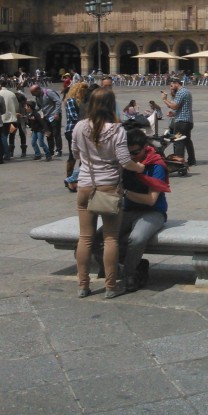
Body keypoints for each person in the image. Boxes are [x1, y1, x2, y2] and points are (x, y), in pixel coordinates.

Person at [73, 87, 147, 299]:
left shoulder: (79, 127)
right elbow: (125, 161)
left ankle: (83, 285)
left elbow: (76, 154)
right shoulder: (117, 130)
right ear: (110, 105)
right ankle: (111, 287)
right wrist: (139, 167)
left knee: (85, 238)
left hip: (85, 186)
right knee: (111, 238)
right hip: (109, 188)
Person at [119, 129, 170, 292]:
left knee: (137, 238)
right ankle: (137, 264)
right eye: (129, 153)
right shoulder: (126, 163)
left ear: (145, 147)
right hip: (129, 210)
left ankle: (129, 274)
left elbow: (151, 200)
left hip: (153, 212)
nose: (132, 156)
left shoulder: (156, 165)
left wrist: (125, 193)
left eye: (136, 152)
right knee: (99, 239)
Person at [162, 76, 196, 166]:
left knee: (178, 141)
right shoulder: (187, 91)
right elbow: (182, 108)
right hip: (188, 120)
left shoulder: (180, 92)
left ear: (176, 84)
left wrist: (165, 99)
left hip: (181, 121)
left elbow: (174, 106)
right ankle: (192, 159)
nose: (170, 87)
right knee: (187, 140)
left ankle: (179, 162)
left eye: (171, 85)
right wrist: (173, 114)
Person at [30, 83, 63, 157]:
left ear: (38, 90)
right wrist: (32, 112)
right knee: (48, 134)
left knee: (56, 133)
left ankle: (58, 150)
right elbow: (39, 106)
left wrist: (56, 113)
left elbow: (58, 101)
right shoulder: (37, 97)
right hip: (46, 117)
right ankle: (51, 150)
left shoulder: (49, 92)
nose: (33, 95)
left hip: (54, 116)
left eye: (33, 93)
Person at [63, 81, 89, 173]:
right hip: (72, 130)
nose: (85, 93)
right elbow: (73, 116)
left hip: (83, 130)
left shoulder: (84, 102)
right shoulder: (71, 101)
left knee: (84, 155)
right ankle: (69, 176)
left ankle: (80, 175)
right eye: (83, 91)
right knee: (72, 155)